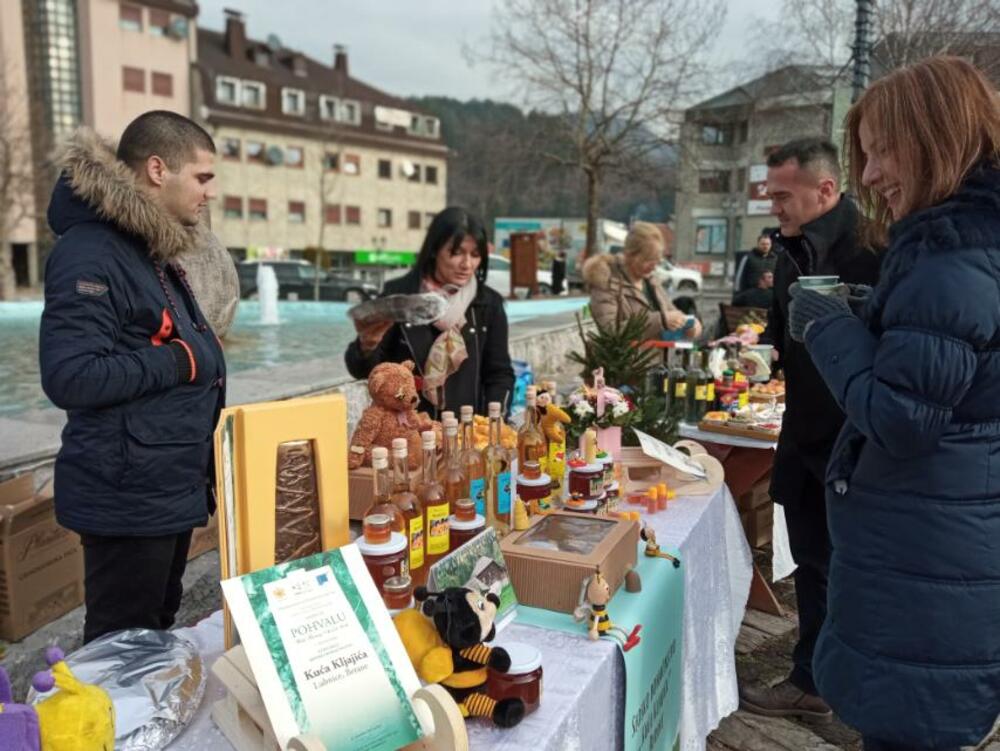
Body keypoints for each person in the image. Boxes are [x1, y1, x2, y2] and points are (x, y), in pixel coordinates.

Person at [788, 56, 1000, 751]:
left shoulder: (951, 257)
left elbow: (901, 417)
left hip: (928, 567)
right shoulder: (970, 248)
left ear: (938, 136)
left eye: (882, 151)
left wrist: (826, 324)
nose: (871, 175)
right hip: (947, 547)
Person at [39, 112, 225, 643]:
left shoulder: (145, 247)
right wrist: (179, 361)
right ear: (158, 169)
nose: (209, 192)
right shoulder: (92, 252)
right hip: (125, 498)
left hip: (161, 491)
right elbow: (70, 375)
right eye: (203, 177)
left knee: (154, 633)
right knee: (120, 647)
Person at [739, 138, 881, 720]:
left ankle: (836, 682)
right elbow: (782, 330)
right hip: (802, 433)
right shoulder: (790, 250)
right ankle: (815, 680)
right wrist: (763, 353)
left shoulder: (874, 248)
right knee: (812, 565)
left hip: (855, 442)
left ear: (826, 190)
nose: (773, 206)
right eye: (771, 195)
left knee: (849, 571)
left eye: (782, 195)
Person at [345, 207, 514, 416]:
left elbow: (499, 374)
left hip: (464, 436)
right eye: (457, 252)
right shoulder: (399, 297)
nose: (467, 264)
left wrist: (493, 426)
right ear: (435, 249)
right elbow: (365, 371)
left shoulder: (488, 304)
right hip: (406, 434)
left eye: (475, 255)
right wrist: (367, 345)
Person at [583, 221, 702, 341]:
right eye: (648, 260)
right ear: (630, 255)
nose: (654, 266)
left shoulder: (651, 282)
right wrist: (660, 321)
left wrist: (688, 325)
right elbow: (610, 331)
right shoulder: (607, 283)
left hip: (659, 358)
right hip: (627, 360)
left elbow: (672, 315)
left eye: (657, 260)